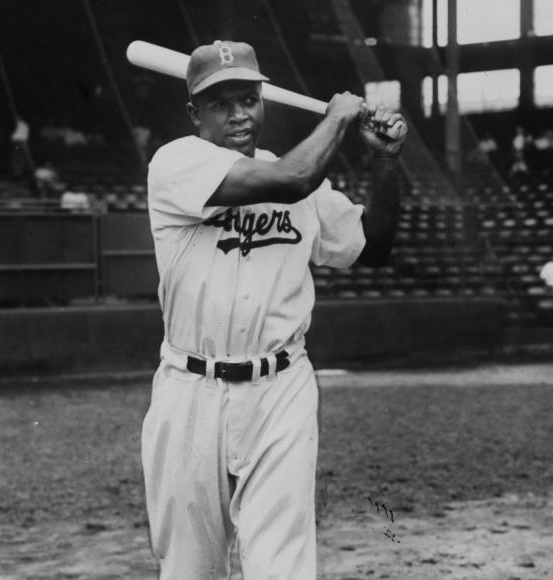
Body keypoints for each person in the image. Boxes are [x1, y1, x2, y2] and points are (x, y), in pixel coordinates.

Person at [141, 40, 406, 579]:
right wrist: (338, 116)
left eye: (249, 99)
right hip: (191, 391)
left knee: (283, 568)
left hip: (280, 389)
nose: (239, 114)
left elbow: (373, 245)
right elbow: (291, 180)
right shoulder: (176, 164)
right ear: (194, 113)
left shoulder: (297, 173)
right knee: (190, 569)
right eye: (221, 103)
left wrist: (384, 159)